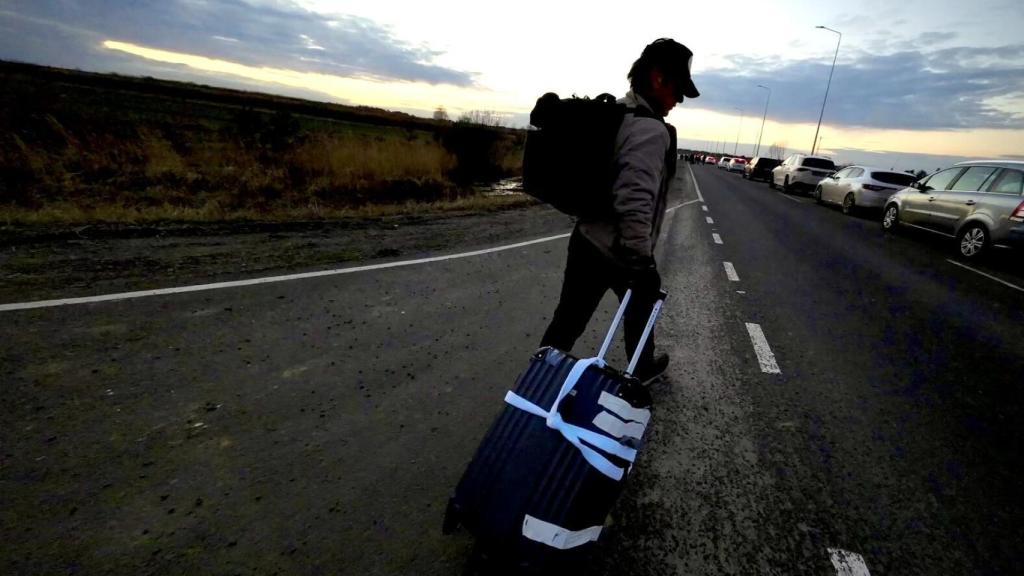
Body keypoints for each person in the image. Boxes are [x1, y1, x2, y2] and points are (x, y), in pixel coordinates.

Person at [540, 38, 699, 383]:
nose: (679, 99)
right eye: (678, 89)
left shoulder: (620, 113)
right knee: (643, 295)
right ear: (658, 79)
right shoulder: (650, 129)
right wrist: (641, 260)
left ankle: (538, 377)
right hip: (618, 250)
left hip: (585, 239)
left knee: (568, 320)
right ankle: (640, 371)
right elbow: (635, 199)